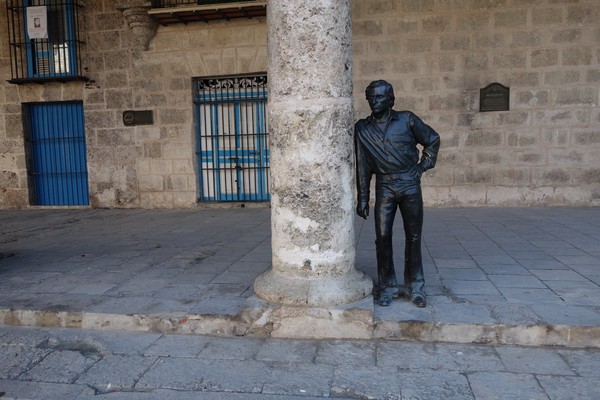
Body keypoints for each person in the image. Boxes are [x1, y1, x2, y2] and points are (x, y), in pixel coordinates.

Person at [355, 80, 440, 307]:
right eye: (371, 97)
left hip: (409, 184)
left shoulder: (407, 119)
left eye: (380, 97)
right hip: (384, 186)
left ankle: (416, 287)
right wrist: (363, 197)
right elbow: (362, 166)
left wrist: (421, 168)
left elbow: (432, 140)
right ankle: (387, 286)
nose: (375, 101)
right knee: (382, 238)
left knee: (413, 237)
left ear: (390, 99)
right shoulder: (362, 129)